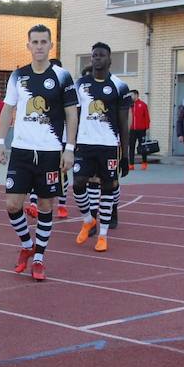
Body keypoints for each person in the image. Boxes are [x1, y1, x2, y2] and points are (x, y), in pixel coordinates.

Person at [0, 25, 78, 281]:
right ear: (28, 45)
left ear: (51, 45)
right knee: (12, 204)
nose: (40, 46)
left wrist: (70, 149)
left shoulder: (63, 76)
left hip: (50, 153)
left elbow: (71, 113)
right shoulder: (18, 76)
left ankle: (39, 258)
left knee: (45, 206)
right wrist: (0, 142)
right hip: (21, 150)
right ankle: (26, 245)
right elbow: (7, 109)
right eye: (35, 42)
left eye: (44, 41)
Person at [71, 43, 131, 252]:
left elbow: (124, 123)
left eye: (102, 55)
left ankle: (103, 235)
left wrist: (126, 154)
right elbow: (74, 116)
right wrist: (70, 144)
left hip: (108, 145)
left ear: (109, 59)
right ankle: (88, 219)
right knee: (78, 183)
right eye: (94, 55)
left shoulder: (120, 86)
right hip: (84, 144)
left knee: (108, 187)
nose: (97, 58)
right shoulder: (80, 84)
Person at [128, 89, 150, 170]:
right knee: (131, 147)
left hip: (141, 130)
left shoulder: (143, 105)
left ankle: (144, 162)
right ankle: (131, 164)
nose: (130, 97)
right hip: (132, 130)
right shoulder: (129, 105)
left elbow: (147, 117)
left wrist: (147, 128)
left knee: (142, 147)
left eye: (132, 95)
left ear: (136, 95)